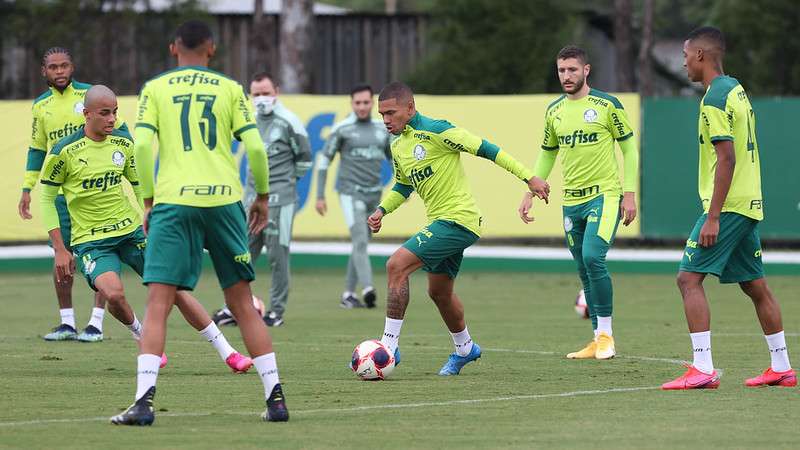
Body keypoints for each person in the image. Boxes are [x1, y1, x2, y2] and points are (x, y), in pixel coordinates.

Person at [112, 20, 288, 425]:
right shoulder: (229, 89)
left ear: (174, 48)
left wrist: (149, 200)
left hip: (174, 202)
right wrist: (260, 197)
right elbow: (256, 148)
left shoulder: (156, 89)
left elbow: (140, 145)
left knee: (158, 304)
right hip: (225, 201)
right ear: (212, 48)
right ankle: (275, 398)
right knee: (243, 303)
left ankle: (143, 403)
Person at [40, 84, 253, 374]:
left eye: (115, 112)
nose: (112, 119)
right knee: (113, 294)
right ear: (87, 114)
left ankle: (228, 353)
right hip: (92, 242)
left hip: (131, 233)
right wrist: (60, 248)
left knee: (175, 289)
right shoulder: (64, 151)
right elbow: (47, 197)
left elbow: (140, 186)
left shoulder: (123, 145)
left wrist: (151, 216)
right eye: (105, 113)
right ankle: (142, 335)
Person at [368, 81, 538, 376]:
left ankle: (388, 347)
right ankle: (465, 348)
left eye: (390, 113)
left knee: (396, 265)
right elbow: (404, 185)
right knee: (439, 293)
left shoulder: (438, 130)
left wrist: (529, 178)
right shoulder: (398, 144)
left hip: (459, 220)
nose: (385, 120)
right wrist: (383, 209)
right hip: (442, 222)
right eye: (381, 114)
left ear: (410, 108)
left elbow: (486, 148)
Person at [662, 27, 795, 390]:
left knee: (688, 279)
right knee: (755, 285)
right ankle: (781, 366)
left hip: (730, 207)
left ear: (701, 56)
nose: (684, 62)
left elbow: (727, 157)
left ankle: (702, 369)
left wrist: (714, 215)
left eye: (686, 55)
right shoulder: (736, 88)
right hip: (749, 202)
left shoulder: (715, 99)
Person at [518, 45, 639, 360]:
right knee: (583, 269)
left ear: (586, 70)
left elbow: (629, 149)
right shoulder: (554, 110)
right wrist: (531, 189)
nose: (566, 76)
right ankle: (596, 339)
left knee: (593, 257)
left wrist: (629, 193)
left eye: (572, 69)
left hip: (605, 195)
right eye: (561, 70)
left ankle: (607, 337)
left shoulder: (607, 105)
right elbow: (548, 152)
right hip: (571, 200)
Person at [19, 47, 112, 342]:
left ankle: (96, 324)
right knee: (62, 256)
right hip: (59, 194)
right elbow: (37, 149)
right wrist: (27, 188)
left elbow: (114, 131)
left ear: (72, 68)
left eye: (64, 66)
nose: (59, 71)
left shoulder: (89, 96)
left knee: (102, 253)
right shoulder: (40, 106)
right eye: (53, 67)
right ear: (43, 72)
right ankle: (67, 323)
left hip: (94, 191)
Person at [212, 72, 312, 328]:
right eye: (256, 94)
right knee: (241, 253)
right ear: (250, 96)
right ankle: (232, 307)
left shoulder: (290, 121)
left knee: (278, 256)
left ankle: (276, 311)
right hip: (251, 200)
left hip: (282, 200)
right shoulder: (248, 121)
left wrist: (285, 182)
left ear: (276, 91)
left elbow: (304, 160)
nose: (261, 98)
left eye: (266, 93)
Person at [315, 84, 392, 309]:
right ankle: (368, 288)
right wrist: (320, 196)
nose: (362, 107)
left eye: (366, 102)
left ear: (372, 102)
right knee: (360, 240)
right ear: (351, 104)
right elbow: (323, 161)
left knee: (361, 244)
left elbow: (394, 159)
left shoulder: (382, 129)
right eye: (357, 103)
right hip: (350, 193)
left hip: (374, 194)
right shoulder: (342, 129)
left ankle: (348, 294)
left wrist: (403, 187)